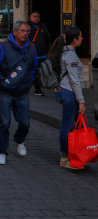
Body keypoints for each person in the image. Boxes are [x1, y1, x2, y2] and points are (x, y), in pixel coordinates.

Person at [0, 21, 38, 165]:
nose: (25, 33)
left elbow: (34, 66)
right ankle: (2, 152)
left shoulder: (31, 48)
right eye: (22, 30)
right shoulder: (4, 46)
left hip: (22, 92)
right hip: (5, 91)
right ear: (15, 32)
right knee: (5, 123)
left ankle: (19, 140)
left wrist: (29, 81)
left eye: (27, 31)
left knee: (25, 122)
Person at [48, 26, 86, 169]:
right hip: (69, 92)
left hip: (64, 91)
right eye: (81, 36)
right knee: (67, 125)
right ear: (74, 39)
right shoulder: (70, 55)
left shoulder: (63, 51)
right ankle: (65, 157)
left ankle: (72, 154)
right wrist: (81, 101)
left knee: (69, 124)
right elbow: (74, 80)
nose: (82, 38)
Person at [28, 11, 51, 96]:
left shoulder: (43, 26)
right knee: (32, 72)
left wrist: (48, 51)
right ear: (30, 17)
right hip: (30, 55)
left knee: (40, 72)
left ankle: (37, 88)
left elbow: (47, 40)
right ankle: (34, 87)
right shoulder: (26, 26)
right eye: (35, 17)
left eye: (38, 17)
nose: (36, 18)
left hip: (42, 55)